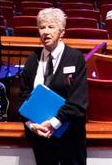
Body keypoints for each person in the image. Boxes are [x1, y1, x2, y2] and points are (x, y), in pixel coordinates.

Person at [17, 8, 88, 165]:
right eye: (42, 27)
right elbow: (23, 97)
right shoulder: (32, 59)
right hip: (40, 137)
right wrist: (31, 125)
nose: (46, 32)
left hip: (70, 137)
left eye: (51, 27)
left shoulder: (75, 58)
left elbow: (78, 102)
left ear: (62, 32)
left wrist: (54, 123)